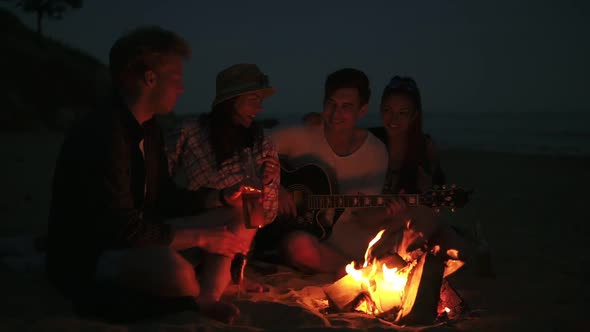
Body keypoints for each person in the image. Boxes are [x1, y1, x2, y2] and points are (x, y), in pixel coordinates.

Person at [46, 26, 247, 323]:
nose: (182, 88)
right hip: (96, 253)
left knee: (238, 214)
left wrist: (217, 198)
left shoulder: (149, 127)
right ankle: (196, 293)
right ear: (149, 79)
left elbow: (163, 196)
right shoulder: (105, 133)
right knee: (176, 274)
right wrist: (203, 238)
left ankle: (206, 297)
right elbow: (120, 228)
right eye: (176, 78)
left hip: (141, 234)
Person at [255, 68, 393, 276]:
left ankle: (355, 271)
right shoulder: (302, 133)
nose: (336, 114)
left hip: (344, 235)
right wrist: (277, 188)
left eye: (346, 107)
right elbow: (249, 148)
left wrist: (387, 212)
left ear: (362, 110)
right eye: (331, 104)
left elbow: (365, 215)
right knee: (299, 246)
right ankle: (360, 276)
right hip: (294, 234)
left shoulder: (375, 151)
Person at [166, 63, 280, 285]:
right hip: (194, 225)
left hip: (237, 240)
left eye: (261, 101)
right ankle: (216, 284)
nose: (259, 109)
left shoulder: (261, 146)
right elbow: (159, 185)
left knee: (243, 210)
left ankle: (216, 287)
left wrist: (262, 183)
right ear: (230, 102)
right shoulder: (189, 132)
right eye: (252, 100)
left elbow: (265, 216)